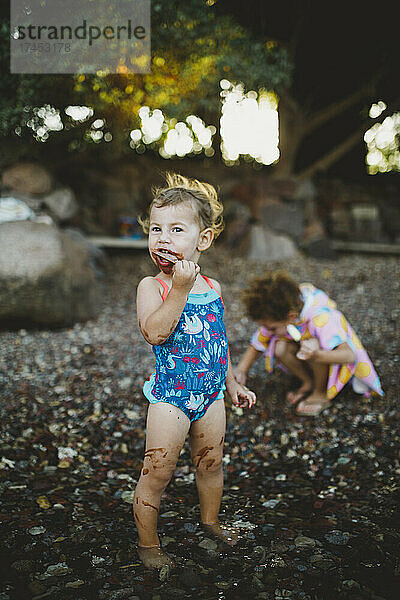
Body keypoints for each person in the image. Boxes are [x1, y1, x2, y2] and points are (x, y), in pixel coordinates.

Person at [134, 173, 256, 569]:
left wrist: (233, 382)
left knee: (211, 462)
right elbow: (155, 332)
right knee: (158, 471)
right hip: (171, 397)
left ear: (202, 240)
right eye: (156, 229)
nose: (163, 239)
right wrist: (181, 290)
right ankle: (149, 547)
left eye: (176, 230)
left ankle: (211, 521)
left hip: (210, 395)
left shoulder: (213, 286)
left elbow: (218, 343)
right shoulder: (152, 287)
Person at [234, 270, 383, 417]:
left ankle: (321, 393)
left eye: (271, 328)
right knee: (280, 347)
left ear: (291, 316)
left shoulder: (322, 319)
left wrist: (317, 355)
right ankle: (309, 383)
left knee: (313, 345)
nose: (267, 331)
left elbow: (350, 356)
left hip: (335, 363)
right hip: (311, 358)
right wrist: (241, 370)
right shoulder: (286, 310)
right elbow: (258, 343)